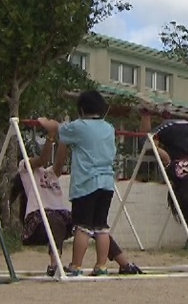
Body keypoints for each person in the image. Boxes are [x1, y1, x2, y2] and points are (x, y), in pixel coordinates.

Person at [10, 140, 143, 276]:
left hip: (60, 214)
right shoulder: (24, 168)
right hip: (38, 218)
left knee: (93, 224)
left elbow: (60, 161)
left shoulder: (51, 173)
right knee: (55, 220)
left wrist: (63, 139)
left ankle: (124, 263)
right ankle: (54, 264)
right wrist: (51, 136)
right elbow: (43, 159)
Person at [38, 90, 116, 277]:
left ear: (81, 110)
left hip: (86, 183)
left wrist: (42, 121)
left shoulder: (79, 126)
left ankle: (76, 265)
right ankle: (101, 266)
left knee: (82, 226)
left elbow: (56, 127)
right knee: (101, 226)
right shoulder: (109, 128)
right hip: (107, 183)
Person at [139, 105, 188, 229]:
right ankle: (146, 111)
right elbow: (166, 158)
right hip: (172, 129)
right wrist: (155, 148)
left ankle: (166, 113)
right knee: (145, 142)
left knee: (164, 141)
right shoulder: (175, 176)